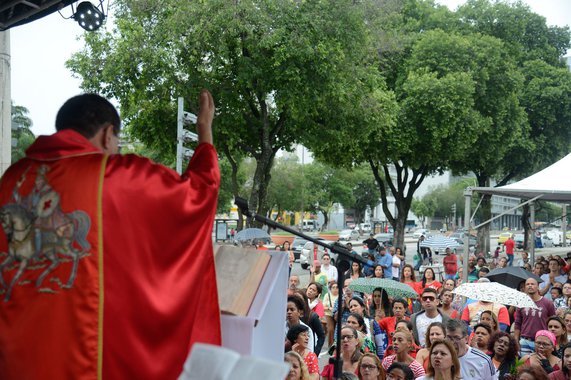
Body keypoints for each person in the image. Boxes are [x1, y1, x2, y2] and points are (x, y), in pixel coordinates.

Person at [0, 90, 221, 379]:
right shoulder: (115, 174)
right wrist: (205, 131)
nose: (116, 147)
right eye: (116, 140)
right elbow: (198, 192)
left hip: (17, 360)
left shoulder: (12, 178)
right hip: (85, 362)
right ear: (107, 134)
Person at [515, 278, 556, 356]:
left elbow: (553, 321)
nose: (530, 286)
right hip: (525, 340)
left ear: (538, 287)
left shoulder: (548, 303)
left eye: (532, 284)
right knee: (525, 366)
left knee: (540, 366)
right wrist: (516, 340)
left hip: (543, 342)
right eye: (527, 284)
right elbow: (517, 324)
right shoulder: (521, 303)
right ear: (525, 288)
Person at [324, 281, 339, 347]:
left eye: (337, 287)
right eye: (333, 287)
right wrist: (329, 308)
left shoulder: (341, 295)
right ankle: (331, 345)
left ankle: (337, 344)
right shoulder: (327, 295)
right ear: (330, 288)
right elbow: (323, 306)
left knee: (337, 329)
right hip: (329, 314)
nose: (335, 289)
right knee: (331, 329)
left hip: (337, 315)